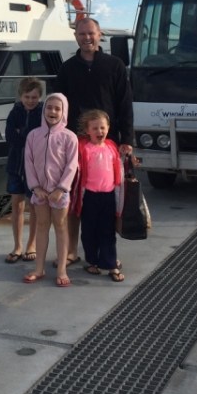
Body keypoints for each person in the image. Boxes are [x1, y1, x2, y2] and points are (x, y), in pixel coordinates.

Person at [54, 17, 133, 267]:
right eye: (82, 34)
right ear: (75, 36)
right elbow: (60, 107)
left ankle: (106, 253)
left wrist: (127, 139)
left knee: (106, 202)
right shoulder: (67, 68)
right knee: (73, 197)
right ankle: (71, 250)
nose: (86, 38)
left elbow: (124, 105)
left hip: (106, 143)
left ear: (100, 36)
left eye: (91, 33)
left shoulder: (115, 65)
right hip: (75, 144)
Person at [23, 93, 78, 288]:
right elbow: (28, 163)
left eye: (57, 108)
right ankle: (39, 268)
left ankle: (62, 269)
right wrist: (35, 187)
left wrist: (62, 188)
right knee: (41, 226)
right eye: (49, 107)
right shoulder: (33, 135)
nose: (52, 111)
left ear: (64, 112)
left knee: (61, 227)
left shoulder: (69, 137)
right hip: (39, 192)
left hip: (59, 193)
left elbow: (72, 165)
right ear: (43, 109)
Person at [74, 109, 125, 283]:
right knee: (89, 232)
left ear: (108, 128)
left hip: (108, 196)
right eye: (95, 128)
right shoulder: (83, 148)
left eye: (102, 128)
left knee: (108, 232)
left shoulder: (111, 146)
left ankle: (111, 264)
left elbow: (119, 167)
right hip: (89, 197)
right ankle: (92, 261)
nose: (99, 132)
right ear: (87, 131)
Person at [3, 77, 43, 264]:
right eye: (27, 97)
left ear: (40, 97)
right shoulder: (15, 112)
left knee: (33, 204)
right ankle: (17, 245)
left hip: (34, 167)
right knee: (17, 203)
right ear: (21, 96)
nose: (30, 101)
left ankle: (31, 244)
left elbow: (40, 139)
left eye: (34, 97)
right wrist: (27, 139)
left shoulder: (42, 113)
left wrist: (24, 136)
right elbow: (10, 137)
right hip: (15, 165)